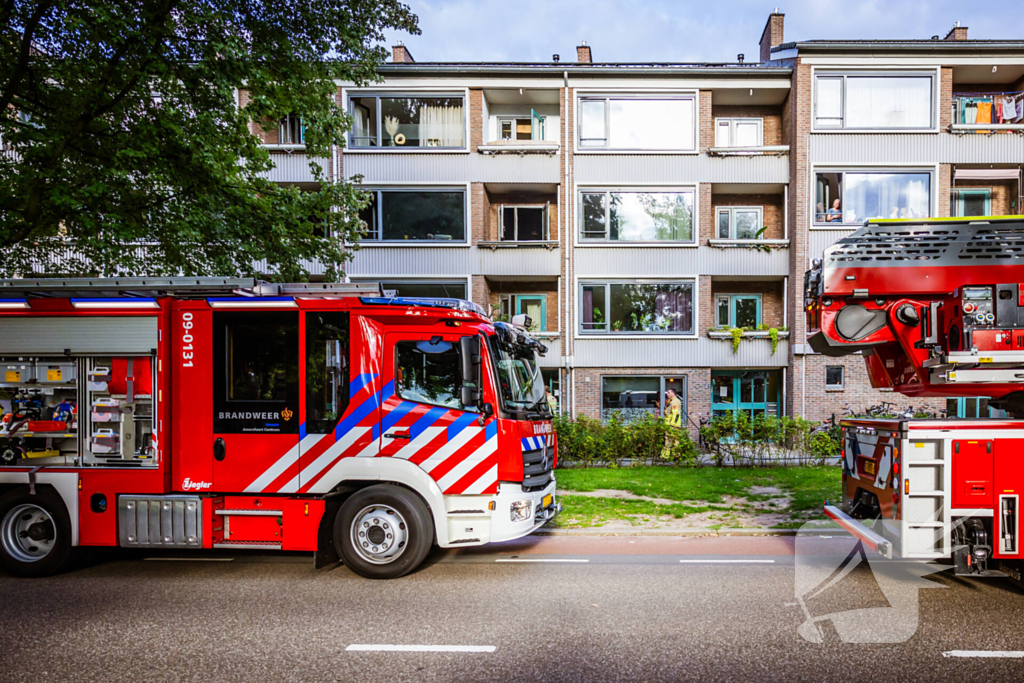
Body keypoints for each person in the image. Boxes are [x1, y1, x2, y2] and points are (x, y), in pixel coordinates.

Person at [662, 388, 683, 458]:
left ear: (673, 393)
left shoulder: (674, 402)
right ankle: (675, 455)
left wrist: (672, 424)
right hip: (671, 424)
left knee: (669, 440)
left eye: (668, 392)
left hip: (672, 424)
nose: (667, 394)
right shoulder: (671, 401)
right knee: (674, 440)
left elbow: (675, 414)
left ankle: (666, 455)